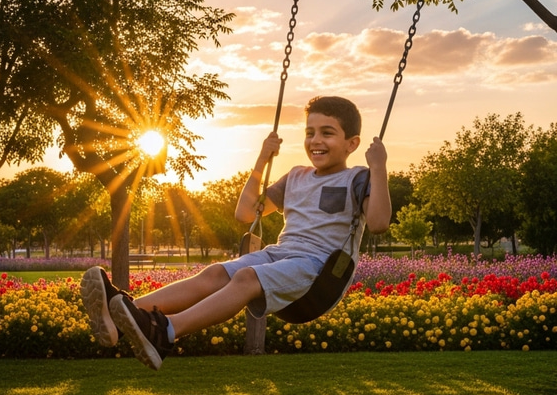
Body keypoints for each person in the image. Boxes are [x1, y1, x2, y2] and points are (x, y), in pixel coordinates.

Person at [81, 95, 391, 370]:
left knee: (246, 278)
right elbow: (245, 213)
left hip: (320, 268)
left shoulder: (358, 179)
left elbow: (377, 222)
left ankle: (165, 332)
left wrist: (379, 168)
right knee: (216, 273)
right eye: (310, 133)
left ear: (352, 143)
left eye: (327, 133)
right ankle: (121, 316)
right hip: (281, 254)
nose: (315, 141)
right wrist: (261, 159)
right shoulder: (295, 176)